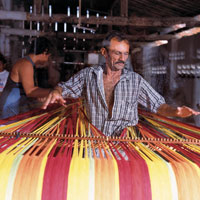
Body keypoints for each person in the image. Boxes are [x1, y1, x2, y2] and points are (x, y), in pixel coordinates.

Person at [42, 31, 200, 136]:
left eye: (125, 54)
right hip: (93, 144)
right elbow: (64, 88)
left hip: (125, 147)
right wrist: (56, 92)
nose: (122, 58)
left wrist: (176, 112)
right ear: (104, 53)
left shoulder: (135, 81)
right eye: (117, 53)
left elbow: (159, 106)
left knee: (120, 185)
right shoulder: (88, 76)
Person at [0, 37, 53, 119]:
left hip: (14, 107)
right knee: (8, 131)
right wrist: (53, 91)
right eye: (48, 56)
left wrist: (41, 95)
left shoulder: (30, 65)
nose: (48, 60)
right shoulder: (26, 64)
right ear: (44, 52)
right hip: (9, 108)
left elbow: (30, 91)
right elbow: (30, 91)